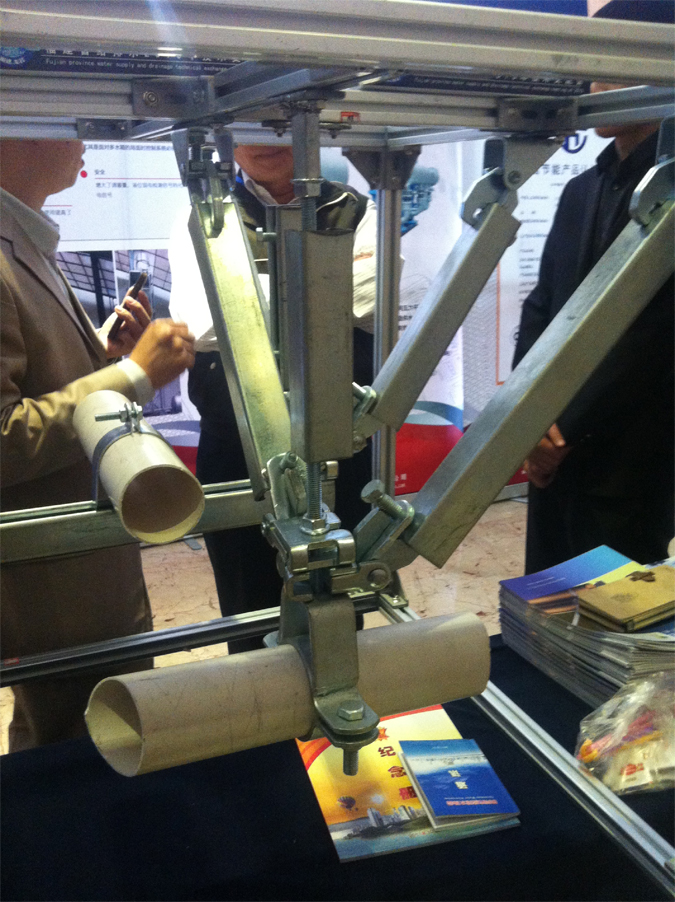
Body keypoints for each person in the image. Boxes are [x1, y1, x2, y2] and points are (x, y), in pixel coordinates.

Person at [0, 138, 196, 750]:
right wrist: (133, 375)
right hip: (53, 579)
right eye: (66, 118)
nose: (83, 138)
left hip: (76, 566)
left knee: (63, 733)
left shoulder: (23, 236)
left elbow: (37, 379)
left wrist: (102, 356)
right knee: (84, 745)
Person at [170, 143, 377, 652]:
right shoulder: (205, 216)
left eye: (279, 124)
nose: (265, 139)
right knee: (248, 610)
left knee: (337, 601)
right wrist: (319, 296)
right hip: (237, 451)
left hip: (340, 447)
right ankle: (259, 703)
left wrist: (251, 304)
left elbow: (371, 306)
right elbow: (205, 327)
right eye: (250, 126)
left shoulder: (353, 209)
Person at [513, 0, 674, 574]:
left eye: (610, 66)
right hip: (551, 443)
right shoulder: (583, 188)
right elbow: (542, 306)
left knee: (615, 608)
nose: (593, 84)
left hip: (631, 453)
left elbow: (652, 336)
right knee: (546, 599)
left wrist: (560, 428)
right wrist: (525, 416)